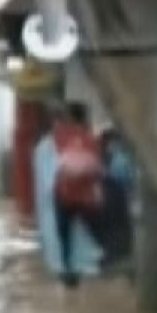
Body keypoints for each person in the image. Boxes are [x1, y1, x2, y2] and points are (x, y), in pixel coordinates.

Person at [49, 103, 105, 287]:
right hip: (85, 196)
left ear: (70, 118)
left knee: (64, 235)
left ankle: (67, 271)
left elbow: (52, 163)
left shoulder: (61, 137)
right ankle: (101, 263)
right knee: (93, 231)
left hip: (64, 193)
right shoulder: (92, 139)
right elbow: (98, 169)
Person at [96, 129, 136, 267]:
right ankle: (118, 255)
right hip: (117, 198)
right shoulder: (120, 158)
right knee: (118, 229)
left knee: (113, 230)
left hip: (113, 197)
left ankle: (113, 256)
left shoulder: (116, 159)